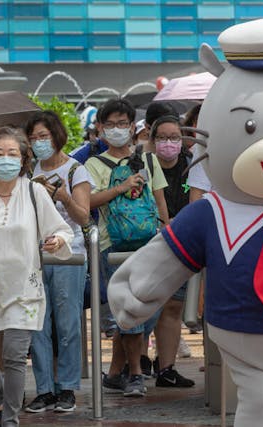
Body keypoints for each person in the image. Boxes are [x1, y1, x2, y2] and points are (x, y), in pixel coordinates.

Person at [0, 126, 73, 427]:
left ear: (24, 158)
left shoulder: (34, 191)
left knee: (14, 357)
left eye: (12, 153)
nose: (5, 159)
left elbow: (62, 230)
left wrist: (57, 241)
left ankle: (10, 420)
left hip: (24, 289)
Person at [85, 98, 169, 397]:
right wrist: (120, 188)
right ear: (100, 128)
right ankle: (135, 373)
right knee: (129, 306)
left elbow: (160, 200)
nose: (117, 129)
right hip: (113, 244)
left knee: (146, 309)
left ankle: (113, 373)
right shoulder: (93, 164)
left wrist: (167, 233)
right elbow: (88, 202)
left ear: (133, 127)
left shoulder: (149, 160)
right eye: (111, 124)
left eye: (123, 124)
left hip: (150, 242)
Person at [24, 111, 94, 413]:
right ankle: (44, 389)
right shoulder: (27, 171)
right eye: (34, 138)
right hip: (36, 255)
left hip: (70, 254)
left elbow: (83, 217)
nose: (39, 142)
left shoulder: (76, 170)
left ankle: (67, 387)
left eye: (44, 136)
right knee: (37, 324)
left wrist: (63, 197)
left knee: (68, 322)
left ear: (57, 136)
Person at [142, 115, 195, 388]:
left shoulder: (192, 165)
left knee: (174, 306)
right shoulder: (141, 166)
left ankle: (166, 368)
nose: (168, 143)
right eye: (162, 137)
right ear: (151, 140)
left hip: (181, 241)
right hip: (149, 243)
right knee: (144, 305)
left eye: (174, 137)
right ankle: (136, 364)